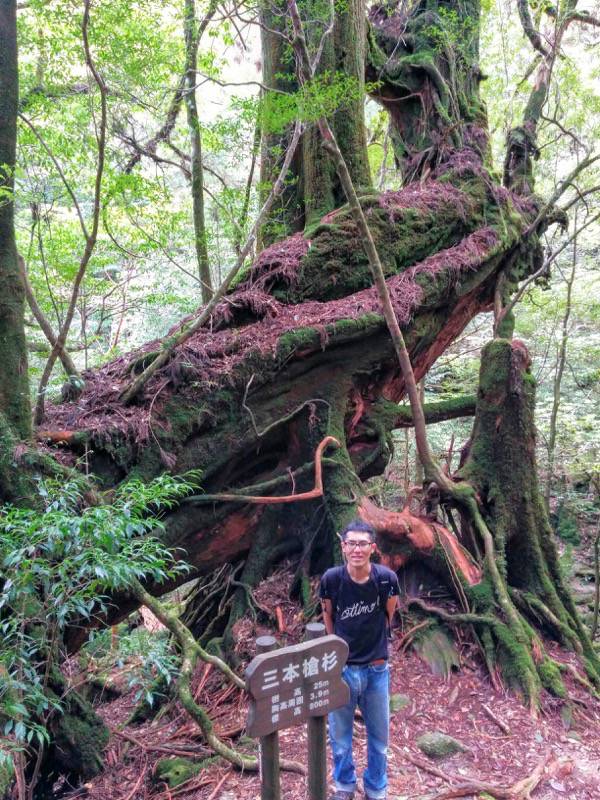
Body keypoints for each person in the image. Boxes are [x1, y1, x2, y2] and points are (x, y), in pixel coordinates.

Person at [319, 519, 399, 800]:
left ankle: (376, 788)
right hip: (342, 671)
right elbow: (328, 614)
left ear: (372, 548)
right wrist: (336, 650)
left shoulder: (387, 579)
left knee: (379, 740)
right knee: (340, 738)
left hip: (377, 670)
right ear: (343, 547)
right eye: (351, 543)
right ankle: (345, 785)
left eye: (362, 543)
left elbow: (390, 613)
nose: (357, 549)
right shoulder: (331, 579)